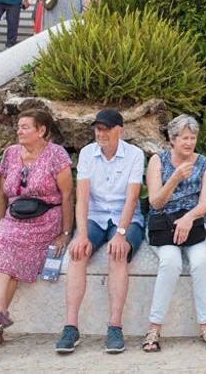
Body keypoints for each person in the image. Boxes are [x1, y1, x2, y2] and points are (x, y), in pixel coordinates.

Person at [0, 109, 73, 353]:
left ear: (42, 130)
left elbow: (68, 194)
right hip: (14, 216)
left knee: (10, 257)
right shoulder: (10, 153)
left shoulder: (56, 154)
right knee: (2, 245)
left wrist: (66, 232)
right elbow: (1, 194)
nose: (19, 131)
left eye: (25, 127)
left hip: (45, 217)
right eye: (18, 126)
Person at [58, 109, 145, 355]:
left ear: (120, 131)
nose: (100, 133)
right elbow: (82, 199)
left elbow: (132, 199)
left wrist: (120, 234)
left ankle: (115, 326)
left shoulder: (134, 155)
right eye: (97, 128)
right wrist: (81, 234)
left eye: (106, 128)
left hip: (125, 219)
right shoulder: (87, 153)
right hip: (95, 217)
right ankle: (70, 326)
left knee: (117, 253)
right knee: (77, 254)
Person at [141, 115, 206, 353]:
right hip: (163, 223)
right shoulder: (158, 161)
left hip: (197, 222)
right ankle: (154, 328)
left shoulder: (204, 163)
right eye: (184, 138)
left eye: (193, 137)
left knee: (200, 261)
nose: (189, 142)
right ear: (172, 139)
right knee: (170, 262)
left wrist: (188, 218)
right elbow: (155, 202)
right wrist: (174, 178)